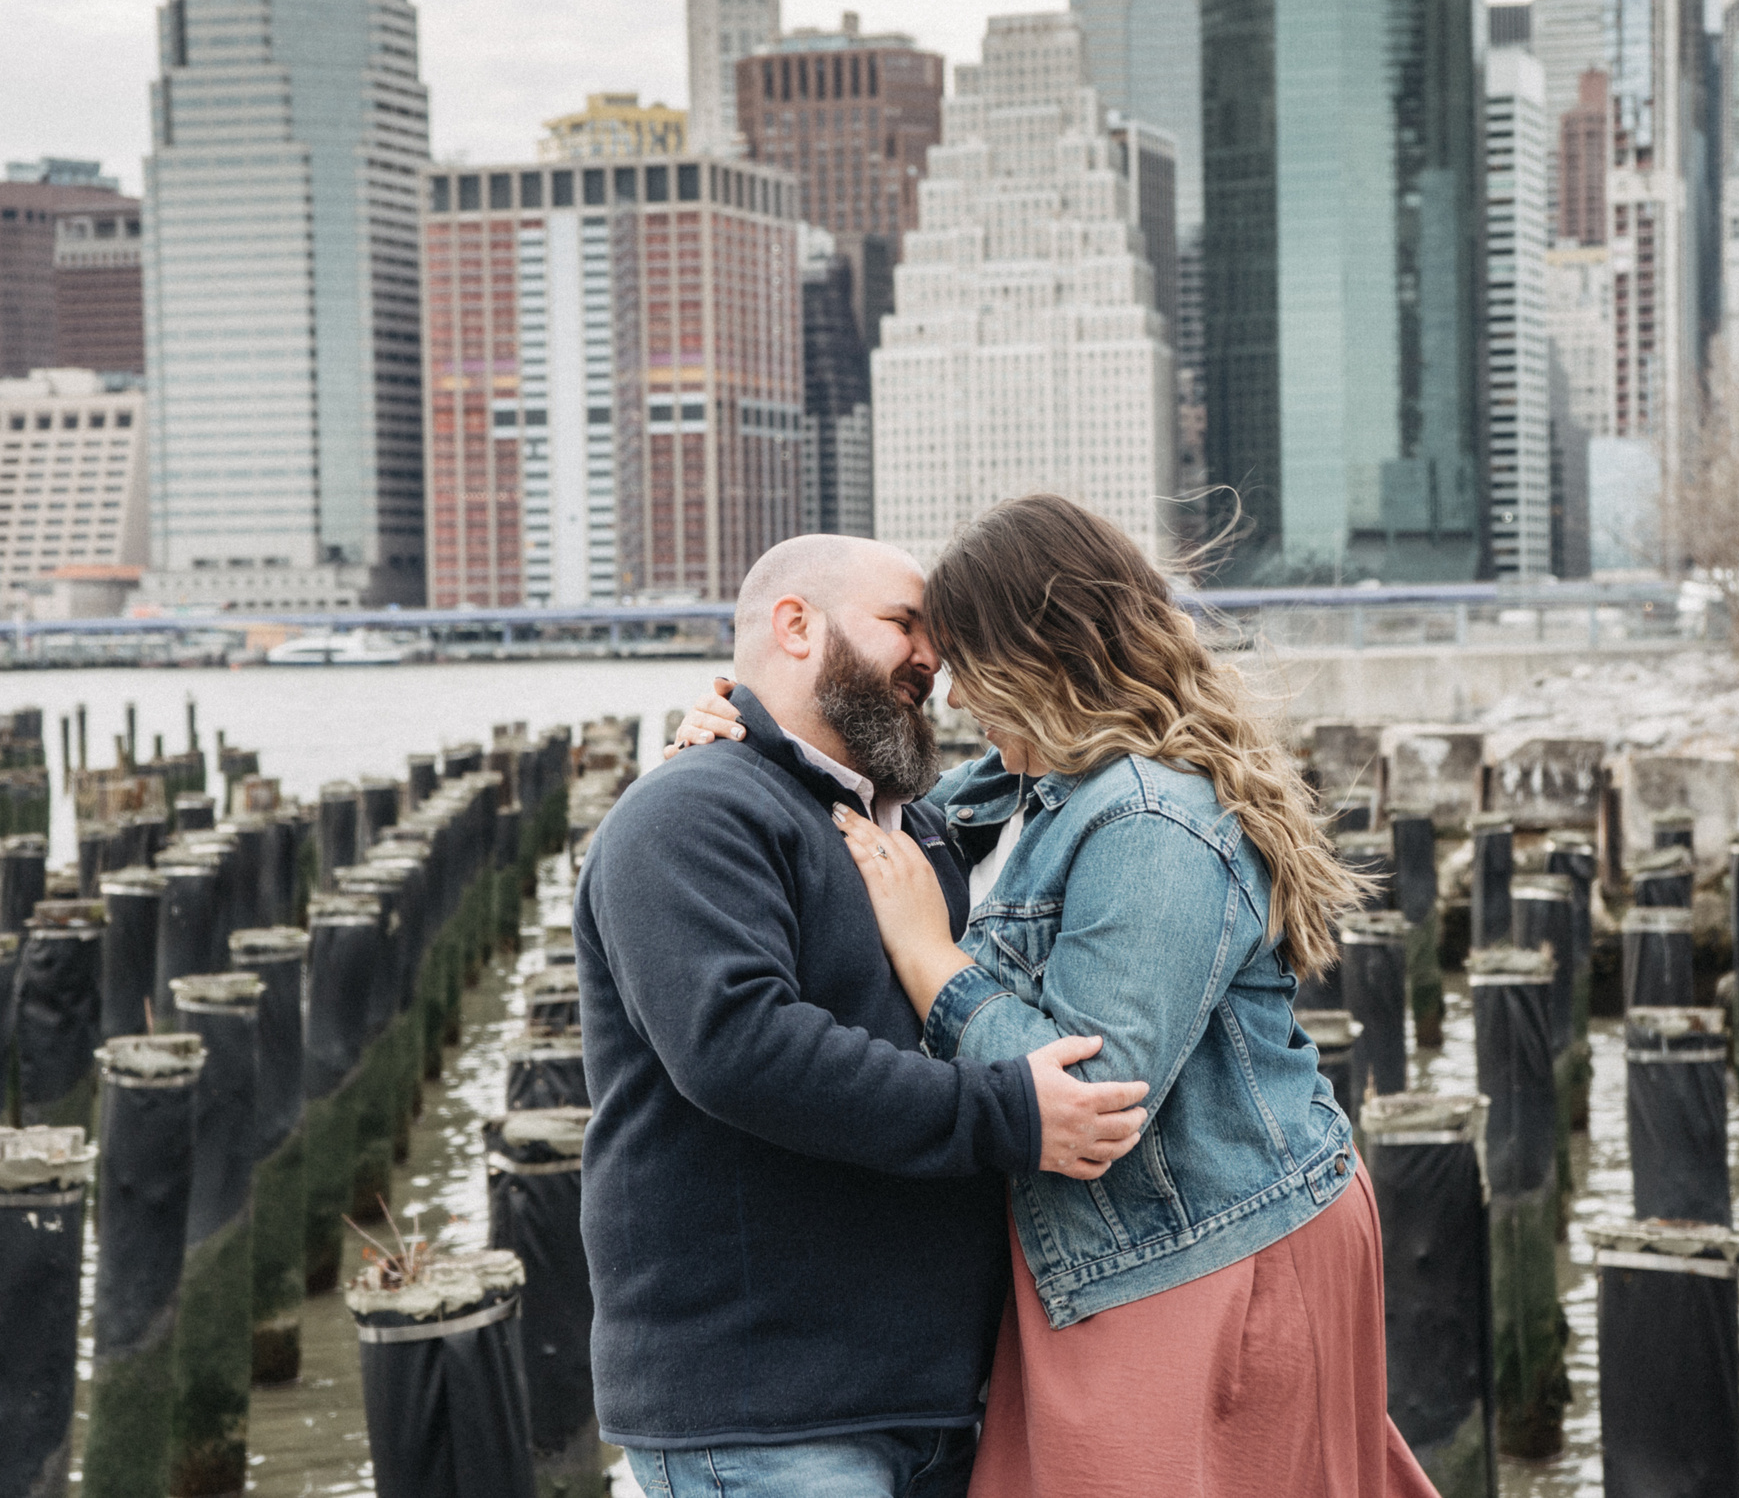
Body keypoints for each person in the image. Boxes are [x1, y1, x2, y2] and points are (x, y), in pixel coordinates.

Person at [671, 496, 1437, 1498]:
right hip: (1132, 1244)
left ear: (1043, 658)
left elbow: (1100, 1088)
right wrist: (735, 746)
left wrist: (930, 959)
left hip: (1203, 1245)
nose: (948, 700)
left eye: (969, 670)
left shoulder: (1154, 815)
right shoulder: (1036, 786)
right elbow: (849, 828)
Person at [575, 532, 1152, 1498]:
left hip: (935, 1402)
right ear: (795, 626)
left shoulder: (915, 827)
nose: (935, 658)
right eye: (904, 625)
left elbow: (1058, 757)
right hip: (764, 1412)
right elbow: (739, 1046)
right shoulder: (692, 812)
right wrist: (1008, 1112)